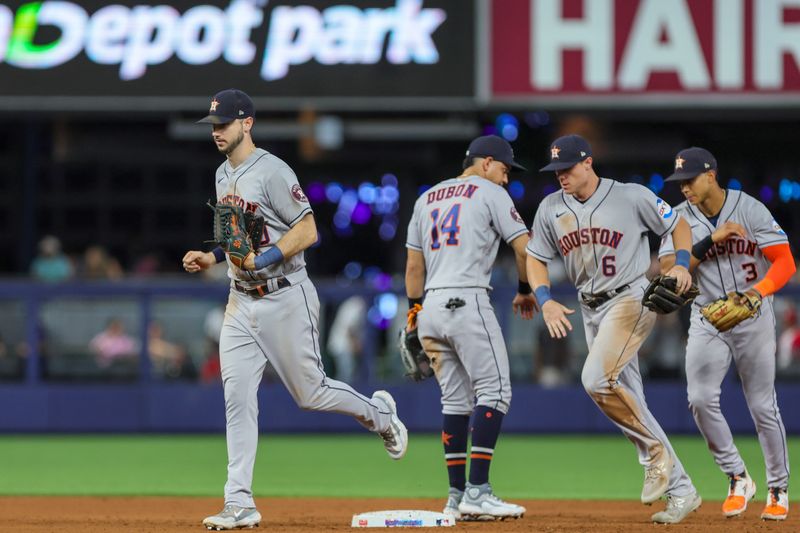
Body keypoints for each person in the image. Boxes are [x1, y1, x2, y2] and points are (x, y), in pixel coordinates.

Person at [181, 88, 407, 531]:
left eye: (224, 124)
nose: (217, 132)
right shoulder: (221, 175)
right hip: (240, 301)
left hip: (285, 295)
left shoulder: (272, 171)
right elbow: (236, 240)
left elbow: (308, 229)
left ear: (247, 123)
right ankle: (239, 500)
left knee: (311, 394)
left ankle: (380, 415)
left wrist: (265, 259)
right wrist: (212, 258)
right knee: (237, 399)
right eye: (213, 125)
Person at [526, 134, 700, 524]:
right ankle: (682, 490)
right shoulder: (551, 208)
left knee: (596, 380)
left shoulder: (631, 196)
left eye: (567, 168)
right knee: (628, 401)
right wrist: (544, 298)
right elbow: (534, 258)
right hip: (590, 309)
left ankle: (656, 454)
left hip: (631, 298)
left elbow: (679, 224)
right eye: (556, 170)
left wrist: (682, 263)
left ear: (588, 162)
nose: (561, 177)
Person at [404, 135, 537, 521]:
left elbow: (413, 268)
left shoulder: (426, 198)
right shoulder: (489, 192)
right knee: (495, 390)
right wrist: (525, 290)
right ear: (486, 162)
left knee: (455, 401)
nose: (506, 178)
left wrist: (415, 313)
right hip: (468, 299)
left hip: (430, 305)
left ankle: (456, 496)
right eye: (505, 169)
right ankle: (478, 491)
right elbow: (525, 247)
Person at [658, 147, 793, 521]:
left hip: (752, 313)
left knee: (762, 405)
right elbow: (670, 269)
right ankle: (737, 476)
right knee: (699, 399)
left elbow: (785, 262)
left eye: (690, 180)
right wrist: (710, 241)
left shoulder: (749, 209)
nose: (684, 188)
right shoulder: (679, 219)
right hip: (708, 317)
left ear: (711, 175)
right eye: (679, 182)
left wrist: (757, 292)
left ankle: (778, 488)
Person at [326, 295, 367, 383]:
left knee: (346, 374)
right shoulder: (357, 304)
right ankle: (338, 396)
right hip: (342, 345)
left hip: (341, 344)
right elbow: (350, 328)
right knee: (346, 375)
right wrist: (356, 344)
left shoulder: (354, 302)